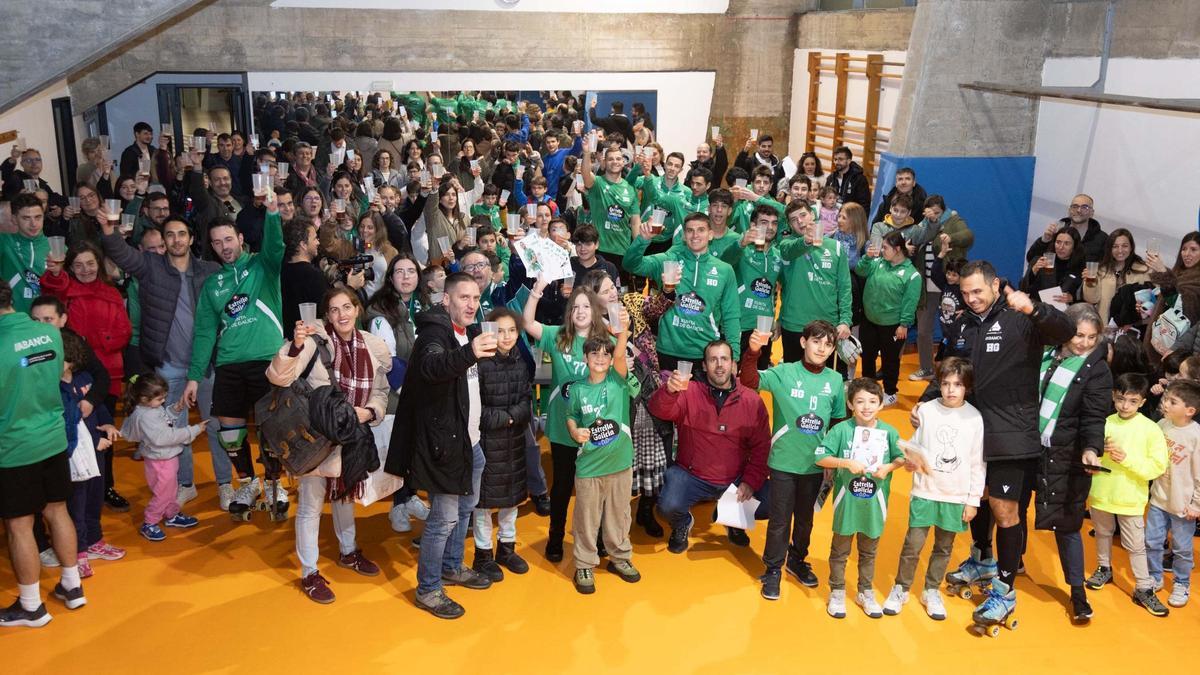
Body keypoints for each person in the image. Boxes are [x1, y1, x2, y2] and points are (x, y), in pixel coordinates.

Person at [911, 260, 1073, 629]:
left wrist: (1034, 307)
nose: (971, 299)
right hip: (973, 430)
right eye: (965, 293)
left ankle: (1005, 588)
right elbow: (954, 367)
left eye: (978, 291)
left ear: (996, 285)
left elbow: (1064, 330)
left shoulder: (1021, 319)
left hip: (1011, 434)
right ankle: (982, 559)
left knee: (1004, 510)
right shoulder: (965, 323)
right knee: (977, 496)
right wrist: (928, 398)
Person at [267, 289, 391, 604]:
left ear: (357, 309)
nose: (341, 314)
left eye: (347, 306)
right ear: (326, 315)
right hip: (317, 437)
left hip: (351, 436)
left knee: (344, 497)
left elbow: (380, 389)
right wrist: (294, 345)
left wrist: (370, 412)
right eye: (334, 310)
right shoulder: (313, 342)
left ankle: (348, 552)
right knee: (310, 504)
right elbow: (278, 376)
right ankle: (309, 572)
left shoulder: (373, 347)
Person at [385, 272, 496, 620]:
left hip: (470, 441)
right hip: (445, 444)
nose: (471, 304)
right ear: (446, 300)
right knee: (444, 517)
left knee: (465, 509)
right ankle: (428, 588)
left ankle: (452, 565)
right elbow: (432, 367)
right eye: (463, 297)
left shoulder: (470, 333)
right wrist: (470, 353)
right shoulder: (435, 333)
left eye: (476, 298)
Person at [99, 213, 227, 508]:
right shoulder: (151, 267)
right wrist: (108, 232)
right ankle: (185, 484)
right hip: (168, 367)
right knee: (172, 430)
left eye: (182, 234)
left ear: (191, 239)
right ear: (164, 240)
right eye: (170, 235)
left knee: (217, 424)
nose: (176, 240)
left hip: (207, 364)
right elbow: (123, 254)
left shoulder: (210, 270)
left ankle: (224, 483)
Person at [182, 192, 287, 519]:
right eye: (217, 243)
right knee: (229, 429)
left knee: (271, 428)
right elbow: (203, 333)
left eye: (229, 239)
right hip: (228, 365)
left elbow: (275, 248)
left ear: (241, 239)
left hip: (266, 361)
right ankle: (247, 481)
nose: (224, 246)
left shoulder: (263, 267)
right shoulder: (212, 284)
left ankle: (275, 483)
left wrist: (272, 215)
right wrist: (194, 376)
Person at [1015, 303, 1110, 623]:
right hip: (1027, 446)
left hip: (1065, 455)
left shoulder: (1096, 369)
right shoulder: (1044, 353)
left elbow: (1095, 417)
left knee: (1067, 524)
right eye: (1078, 334)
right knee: (1014, 508)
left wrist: (1091, 448)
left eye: (1091, 337)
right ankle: (1013, 564)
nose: (1083, 343)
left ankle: (1078, 593)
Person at [0, 278, 84, 628]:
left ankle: (32, 607)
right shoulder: (48, 334)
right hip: (52, 439)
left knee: (19, 525)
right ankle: (72, 585)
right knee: (57, 510)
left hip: (15, 447)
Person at [740, 320, 845, 598]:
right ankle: (772, 569)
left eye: (828, 344)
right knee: (779, 520)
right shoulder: (784, 373)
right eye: (816, 341)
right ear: (803, 342)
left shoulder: (835, 381)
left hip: (815, 465)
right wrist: (752, 352)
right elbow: (749, 381)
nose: (822, 348)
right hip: (784, 462)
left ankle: (797, 560)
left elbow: (837, 423)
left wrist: (831, 462)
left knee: (805, 520)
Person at [882, 357, 984, 620]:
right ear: (939, 384)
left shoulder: (974, 418)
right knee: (912, 544)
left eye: (958, 384)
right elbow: (917, 444)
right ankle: (901, 588)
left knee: (943, 547)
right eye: (946, 383)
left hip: (955, 495)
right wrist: (911, 461)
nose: (951, 389)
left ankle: (931, 590)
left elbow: (976, 461)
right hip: (925, 491)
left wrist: (972, 500)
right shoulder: (926, 410)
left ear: (967, 387)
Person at [649, 339, 770, 552]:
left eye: (724, 359)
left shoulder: (752, 401)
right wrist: (668, 391)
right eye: (713, 360)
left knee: (774, 501)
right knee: (667, 506)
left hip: (734, 478)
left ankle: (731, 518)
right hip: (691, 475)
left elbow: (762, 448)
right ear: (704, 366)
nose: (719, 365)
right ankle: (682, 523)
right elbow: (659, 410)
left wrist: (750, 481)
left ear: (733, 364)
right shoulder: (688, 391)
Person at [523, 277, 612, 562]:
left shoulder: (605, 341)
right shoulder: (558, 336)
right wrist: (536, 293)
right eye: (575, 307)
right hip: (563, 427)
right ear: (569, 313)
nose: (581, 311)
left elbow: (622, 366)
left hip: (596, 428)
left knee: (594, 487)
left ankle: (595, 537)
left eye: (586, 306)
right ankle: (556, 538)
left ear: (594, 311)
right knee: (562, 486)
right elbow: (527, 323)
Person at [41, 238, 133, 510]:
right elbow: (52, 290)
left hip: (108, 374)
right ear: (70, 267)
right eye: (78, 265)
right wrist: (56, 274)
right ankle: (72, 488)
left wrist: (95, 340)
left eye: (90, 263)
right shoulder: (65, 292)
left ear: (99, 264)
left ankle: (106, 486)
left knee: (104, 436)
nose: (85, 269)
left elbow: (124, 331)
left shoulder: (112, 293)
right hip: (72, 374)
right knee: (72, 433)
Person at [814, 377, 907, 619]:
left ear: (881, 405)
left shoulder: (889, 432)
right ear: (850, 403)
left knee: (869, 552)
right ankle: (837, 590)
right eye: (860, 401)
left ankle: (865, 591)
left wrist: (887, 468)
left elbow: (901, 458)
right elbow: (820, 457)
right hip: (847, 504)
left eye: (872, 401)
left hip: (875, 504)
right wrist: (845, 462)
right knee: (840, 551)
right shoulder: (841, 430)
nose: (866, 407)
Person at [1085, 372, 1171, 616]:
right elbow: (1091, 455)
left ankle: (1144, 586)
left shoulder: (1150, 429)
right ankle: (1104, 567)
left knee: (1135, 545)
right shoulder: (1105, 423)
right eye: (1121, 399)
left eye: (1133, 401)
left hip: (1131, 498)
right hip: (1101, 492)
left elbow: (1157, 466)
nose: (1125, 405)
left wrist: (1127, 459)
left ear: (1143, 402)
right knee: (1102, 533)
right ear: (1114, 396)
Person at [565, 332, 641, 595]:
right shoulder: (577, 389)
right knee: (586, 518)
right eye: (594, 353)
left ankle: (620, 556)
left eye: (605, 354)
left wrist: (623, 333)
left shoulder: (617, 381)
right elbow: (572, 416)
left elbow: (620, 354)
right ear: (585, 358)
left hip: (620, 464)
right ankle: (584, 563)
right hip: (589, 468)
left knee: (619, 515)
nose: (600, 358)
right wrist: (575, 432)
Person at [622, 213, 742, 369]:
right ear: (684, 236)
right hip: (667, 349)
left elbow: (731, 316)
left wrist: (734, 356)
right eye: (690, 231)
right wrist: (643, 240)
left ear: (710, 234)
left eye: (701, 230)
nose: (695, 235)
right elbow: (631, 265)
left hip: (705, 353)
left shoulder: (725, 270)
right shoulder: (669, 260)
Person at [471, 308, 533, 582]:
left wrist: (512, 418)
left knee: (511, 498)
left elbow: (526, 401)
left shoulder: (520, 361)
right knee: (483, 502)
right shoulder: (480, 363)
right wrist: (506, 419)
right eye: (500, 331)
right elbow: (475, 409)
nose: (506, 337)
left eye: (511, 331)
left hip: (513, 442)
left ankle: (507, 548)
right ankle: (482, 554)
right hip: (487, 442)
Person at [118, 374, 204, 542]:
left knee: (170, 490)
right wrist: (193, 430)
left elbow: (164, 420)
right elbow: (163, 437)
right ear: (144, 398)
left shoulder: (151, 408)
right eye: (160, 399)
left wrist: (175, 409)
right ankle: (150, 522)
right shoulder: (146, 416)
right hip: (161, 460)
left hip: (164, 458)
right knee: (163, 493)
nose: (163, 402)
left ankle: (171, 514)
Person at [906, 196, 973, 381]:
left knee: (954, 330)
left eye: (937, 212)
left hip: (947, 283)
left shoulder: (953, 220)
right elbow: (912, 239)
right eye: (930, 211)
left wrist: (950, 237)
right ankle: (926, 368)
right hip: (925, 284)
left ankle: (956, 371)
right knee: (923, 330)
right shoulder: (923, 225)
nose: (934, 215)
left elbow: (968, 236)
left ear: (943, 210)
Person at [777, 202, 852, 365]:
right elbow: (791, 250)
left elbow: (845, 288)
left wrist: (845, 320)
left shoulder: (836, 248)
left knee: (824, 383)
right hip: (794, 324)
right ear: (790, 225)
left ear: (812, 214)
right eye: (794, 219)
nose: (800, 222)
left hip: (827, 326)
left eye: (803, 215)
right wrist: (806, 241)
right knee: (793, 381)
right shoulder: (786, 245)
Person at [1147, 379, 1200, 608]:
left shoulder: (1195, 436)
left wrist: (1196, 504)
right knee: (1152, 541)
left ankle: (1181, 582)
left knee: (1182, 548)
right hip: (1159, 498)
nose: (1165, 404)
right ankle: (1155, 576)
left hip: (1182, 504)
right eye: (1166, 399)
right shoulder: (1162, 425)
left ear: (1189, 411)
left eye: (1172, 401)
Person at [856, 230, 921, 407]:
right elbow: (860, 271)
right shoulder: (877, 263)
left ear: (897, 249)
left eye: (885, 247)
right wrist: (867, 258)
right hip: (869, 320)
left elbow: (910, 302)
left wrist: (904, 324)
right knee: (867, 356)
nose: (882, 250)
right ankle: (869, 389)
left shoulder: (912, 275)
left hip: (892, 326)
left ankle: (891, 392)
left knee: (890, 360)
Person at [582, 142, 640, 281]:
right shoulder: (597, 183)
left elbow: (635, 221)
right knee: (598, 293)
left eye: (618, 159)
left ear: (624, 162)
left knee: (621, 295)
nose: (615, 162)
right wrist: (586, 153)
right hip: (600, 250)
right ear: (605, 162)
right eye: (611, 159)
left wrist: (638, 248)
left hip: (623, 251)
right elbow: (585, 174)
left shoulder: (630, 189)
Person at [1081, 228, 1150, 326]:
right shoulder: (1101, 269)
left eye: (1125, 246)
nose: (1120, 250)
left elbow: (1150, 304)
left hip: (1131, 329)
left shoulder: (1143, 270)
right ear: (1109, 249)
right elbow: (1092, 299)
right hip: (1104, 327)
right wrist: (1090, 282)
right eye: (1115, 246)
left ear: (1131, 247)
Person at [2, 193, 50, 314]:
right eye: (26, 218)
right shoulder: (5, 242)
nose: (33, 224)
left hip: (46, 318)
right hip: (13, 318)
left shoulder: (57, 247)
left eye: (38, 217)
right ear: (14, 219)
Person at [1021, 226, 1083, 302]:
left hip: (1063, 311)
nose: (1061, 247)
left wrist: (1072, 298)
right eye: (1058, 242)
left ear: (1074, 247)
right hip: (1037, 307)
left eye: (1067, 243)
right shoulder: (1041, 260)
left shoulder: (1079, 268)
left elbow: (1084, 297)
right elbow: (1022, 288)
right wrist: (1033, 272)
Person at [1052, 194, 1107, 263]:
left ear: (1091, 213)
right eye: (1075, 206)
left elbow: (1106, 267)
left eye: (1084, 207)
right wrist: (1044, 240)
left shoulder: (1103, 239)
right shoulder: (1056, 231)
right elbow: (1038, 256)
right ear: (1069, 210)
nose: (1078, 210)